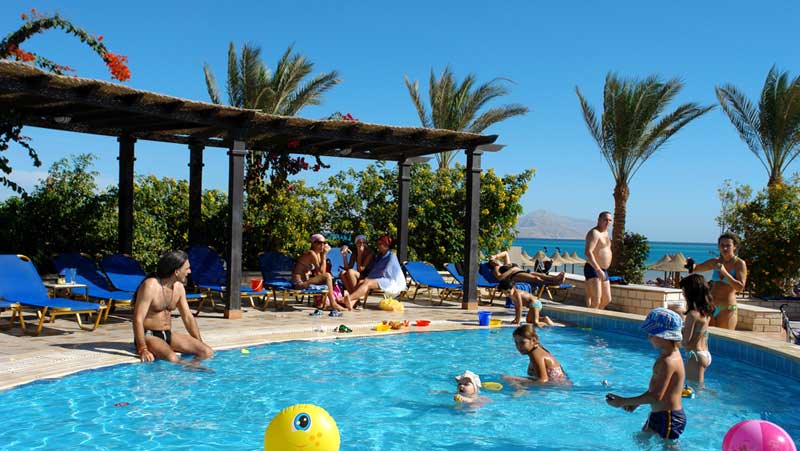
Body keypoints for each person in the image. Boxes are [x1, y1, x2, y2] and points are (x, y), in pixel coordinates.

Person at [606, 308, 687, 440]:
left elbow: (656, 397)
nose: (648, 338)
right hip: (660, 414)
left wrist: (623, 401)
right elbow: (657, 388)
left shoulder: (668, 361)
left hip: (669, 418)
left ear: (665, 336)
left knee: (668, 447)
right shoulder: (668, 355)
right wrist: (636, 403)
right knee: (640, 439)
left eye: (652, 334)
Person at [132, 250, 214, 365]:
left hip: (167, 334)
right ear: (176, 271)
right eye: (187, 268)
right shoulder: (150, 285)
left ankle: (192, 370)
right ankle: (189, 370)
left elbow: (188, 317)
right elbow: (138, 318)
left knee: (206, 352)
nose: (189, 271)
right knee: (172, 358)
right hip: (149, 335)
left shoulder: (179, 288)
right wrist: (142, 348)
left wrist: (199, 342)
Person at [688, 232, 747, 330]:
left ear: (735, 246)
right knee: (708, 336)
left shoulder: (739, 264)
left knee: (724, 336)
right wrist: (690, 264)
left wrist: (724, 272)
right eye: (722, 245)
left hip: (727, 309)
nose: (725, 248)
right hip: (711, 307)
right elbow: (697, 268)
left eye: (728, 245)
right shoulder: (715, 262)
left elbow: (740, 287)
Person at [343, 235, 407, 309]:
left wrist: (368, 278)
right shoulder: (380, 256)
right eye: (378, 244)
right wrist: (344, 256)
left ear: (386, 245)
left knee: (367, 282)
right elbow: (375, 270)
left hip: (391, 280)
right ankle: (352, 303)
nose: (378, 246)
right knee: (361, 281)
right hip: (381, 278)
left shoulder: (391, 256)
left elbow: (386, 272)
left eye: (380, 244)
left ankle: (348, 298)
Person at [292, 233, 344, 312]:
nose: (322, 245)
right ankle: (333, 303)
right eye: (319, 243)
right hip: (299, 283)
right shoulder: (311, 253)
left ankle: (325, 303)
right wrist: (324, 255)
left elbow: (321, 272)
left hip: (305, 281)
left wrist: (323, 255)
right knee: (327, 276)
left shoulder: (318, 254)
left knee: (328, 278)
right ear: (313, 244)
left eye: (324, 243)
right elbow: (322, 273)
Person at [680, 274, 714, 388]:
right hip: (705, 353)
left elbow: (686, 341)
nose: (683, 293)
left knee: (694, 390)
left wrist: (676, 332)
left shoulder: (692, 315)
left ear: (690, 292)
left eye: (684, 290)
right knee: (699, 387)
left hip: (695, 356)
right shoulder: (706, 312)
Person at [487, 250, 566, 293]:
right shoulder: (496, 268)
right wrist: (512, 269)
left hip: (522, 272)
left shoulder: (505, 264)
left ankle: (555, 279)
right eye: (493, 261)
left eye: (495, 260)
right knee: (536, 279)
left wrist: (495, 256)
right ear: (492, 264)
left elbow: (505, 253)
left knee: (542, 275)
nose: (495, 261)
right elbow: (500, 278)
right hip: (514, 276)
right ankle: (554, 283)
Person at [584, 211, 613, 309]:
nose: (608, 222)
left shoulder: (606, 233)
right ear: (599, 220)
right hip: (594, 268)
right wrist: (598, 269)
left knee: (607, 299)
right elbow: (588, 252)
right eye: (605, 220)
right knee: (596, 300)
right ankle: (591, 317)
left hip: (603, 269)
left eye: (610, 220)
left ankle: (594, 315)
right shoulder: (594, 233)